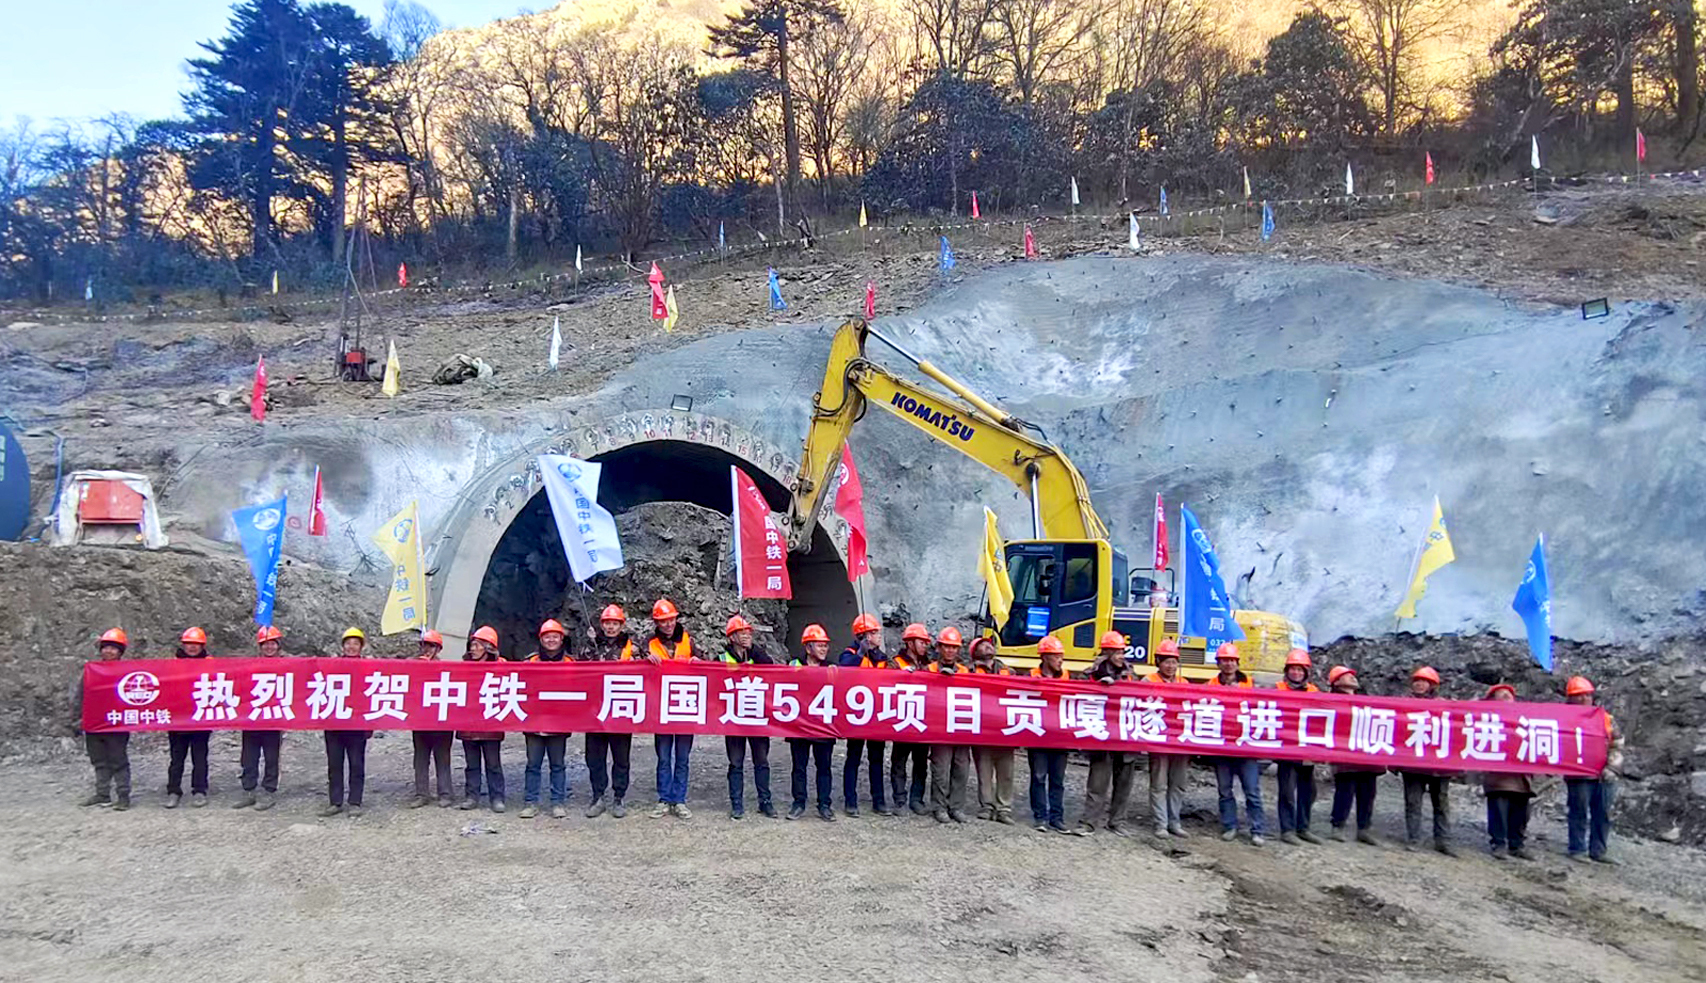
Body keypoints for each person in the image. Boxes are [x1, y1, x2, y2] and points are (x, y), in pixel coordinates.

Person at [631, 598, 705, 820]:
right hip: (660, 708)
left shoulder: (689, 641)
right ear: (656, 622)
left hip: (684, 706)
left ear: (676, 619)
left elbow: (705, 664)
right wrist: (644, 659)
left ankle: (679, 800)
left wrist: (697, 661)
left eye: (670, 619)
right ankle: (664, 799)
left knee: (682, 757)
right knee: (663, 757)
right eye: (663, 621)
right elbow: (632, 666)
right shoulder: (648, 643)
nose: (668, 624)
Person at [1203, 641, 1265, 845]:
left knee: (1252, 791)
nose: (1228, 664)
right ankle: (1230, 826)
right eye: (1224, 660)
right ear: (1218, 664)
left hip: (1246, 747)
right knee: (1225, 791)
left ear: (1237, 663)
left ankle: (1257, 830)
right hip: (1221, 747)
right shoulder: (1210, 686)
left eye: (1231, 660)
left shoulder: (1250, 684)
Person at [1080, 631, 1138, 835]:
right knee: (1097, 782)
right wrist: (1099, 686)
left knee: (1124, 784)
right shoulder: (1090, 674)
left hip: (1125, 736)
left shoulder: (1131, 674)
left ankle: (1117, 822)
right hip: (1101, 735)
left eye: (1122, 651)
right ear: (1107, 652)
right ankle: (1089, 821)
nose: (1121, 656)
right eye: (1117, 652)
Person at [721, 615, 777, 819]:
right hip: (734, 717)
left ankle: (765, 801)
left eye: (747, 632)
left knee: (761, 761)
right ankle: (737, 803)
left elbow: (770, 667)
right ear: (731, 637)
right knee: (736, 762)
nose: (745, 635)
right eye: (740, 632)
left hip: (756, 715)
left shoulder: (757, 654)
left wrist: (752, 649)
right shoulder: (721, 658)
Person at [581, 604, 633, 818]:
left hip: (621, 709)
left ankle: (619, 797)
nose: (611, 627)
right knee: (595, 757)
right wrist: (590, 643)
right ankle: (598, 796)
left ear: (621, 625)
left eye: (615, 623)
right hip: (595, 711)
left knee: (621, 758)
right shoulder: (592, 644)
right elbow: (580, 667)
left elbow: (648, 666)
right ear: (602, 625)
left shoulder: (632, 645)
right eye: (607, 623)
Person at [1564, 675, 1623, 863]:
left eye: (1587, 695)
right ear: (1570, 699)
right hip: (1578, 773)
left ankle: (1599, 851)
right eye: (1579, 695)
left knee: (1603, 813)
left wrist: (1612, 768)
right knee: (1578, 811)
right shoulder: (1563, 719)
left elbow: (1617, 744)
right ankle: (1577, 849)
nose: (1584, 699)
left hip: (1603, 774)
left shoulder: (1605, 718)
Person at [520, 619, 574, 820]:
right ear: (541, 639)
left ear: (561, 639)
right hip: (534, 722)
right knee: (533, 764)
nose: (551, 640)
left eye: (555, 636)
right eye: (547, 637)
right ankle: (530, 802)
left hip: (558, 722)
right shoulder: (530, 662)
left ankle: (557, 802)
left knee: (557, 764)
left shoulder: (571, 663)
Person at [1400, 666, 1457, 855]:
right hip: (1413, 763)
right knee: (1413, 802)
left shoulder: (1445, 706)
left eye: (1423, 681)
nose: (1419, 684)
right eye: (1416, 681)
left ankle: (1443, 841)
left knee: (1441, 803)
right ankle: (1414, 838)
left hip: (1438, 765)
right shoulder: (1403, 705)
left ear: (1432, 685)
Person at [838, 613, 890, 817]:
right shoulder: (849, 654)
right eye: (874, 633)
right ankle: (851, 801)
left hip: (877, 716)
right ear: (864, 635)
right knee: (853, 758)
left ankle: (879, 801)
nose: (878, 636)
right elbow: (844, 669)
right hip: (857, 716)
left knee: (876, 759)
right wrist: (861, 653)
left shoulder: (882, 658)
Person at [321, 628, 374, 818]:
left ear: (361, 647)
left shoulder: (368, 668)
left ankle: (355, 801)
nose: (351, 647)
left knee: (356, 764)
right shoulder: (333, 666)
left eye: (356, 643)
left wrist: (369, 724)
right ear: (342, 646)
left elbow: (372, 696)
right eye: (348, 643)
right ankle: (335, 802)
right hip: (334, 724)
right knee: (334, 764)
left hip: (357, 725)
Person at [77, 629, 132, 811]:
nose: (108, 651)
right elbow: (80, 695)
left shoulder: (129, 672)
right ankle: (102, 794)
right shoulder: (91, 671)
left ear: (120, 652)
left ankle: (123, 796)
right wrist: (78, 718)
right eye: (105, 647)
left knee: (119, 761)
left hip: (117, 724)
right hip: (94, 724)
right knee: (99, 760)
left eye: (113, 648)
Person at [1324, 665, 1380, 845]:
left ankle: (1364, 829)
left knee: (1368, 792)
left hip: (1365, 754)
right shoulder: (1332, 701)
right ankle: (1337, 826)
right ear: (1337, 682)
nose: (1352, 678)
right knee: (1345, 791)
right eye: (1347, 676)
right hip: (1345, 755)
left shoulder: (1364, 700)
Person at [234, 626, 286, 811]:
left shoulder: (287, 666)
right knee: (249, 756)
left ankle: (269, 791)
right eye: (265, 644)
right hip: (252, 718)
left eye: (272, 644)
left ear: (278, 646)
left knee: (272, 757)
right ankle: (248, 790)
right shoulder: (251, 665)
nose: (269, 647)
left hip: (274, 719)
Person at [788, 625, 836, 822]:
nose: (824, 649)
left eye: (826, 645)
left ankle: (824, 805)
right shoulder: (793, 665)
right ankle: (799, 803)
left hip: (823, 726)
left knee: (824, 767)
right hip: (799, 726)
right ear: (808, 648)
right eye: (819, 645)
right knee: (799, 767)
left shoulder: (832, 669)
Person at [1480, 683, 1534, 860]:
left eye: (1508, 694)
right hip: (1497, 775)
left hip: (1521, 774)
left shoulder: (1526, 717)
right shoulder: (1485, 718)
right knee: (1499, 810)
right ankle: (1499, 843)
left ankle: (1517, 844)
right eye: (1501, 695)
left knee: (1521, 811)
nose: (1505, 697)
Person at [1144, 639, 1192, 840]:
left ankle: (1174, 821)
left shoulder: (1184, 684)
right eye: (1166, 662)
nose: (1171, 666)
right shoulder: (1148, 681)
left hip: (1180, 741)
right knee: (1159, 783)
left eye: (1174, 662)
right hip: (1158, 740)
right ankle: (1160, 823)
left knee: (1178, 783)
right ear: (1158, 662)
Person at [1273, 649, 1322, 845]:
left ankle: (1303, 827)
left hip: (1306, 749)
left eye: (1299, 670)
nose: (1296, 673)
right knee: (1286, 791)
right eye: (1292, 669)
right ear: (1287, 671)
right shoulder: (1277, 689)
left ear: (1306, 672)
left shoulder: (1314, 692)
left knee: (1307, 791)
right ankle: (1287, 830)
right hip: (1285, 749)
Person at [967, 636, 1017, 825]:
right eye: (982, 645)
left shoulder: (1008, 671)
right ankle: (987, 806)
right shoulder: (969, 671)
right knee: (984, 771)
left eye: (989, 644)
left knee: (1006, 772)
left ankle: (1003, 808)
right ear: (975, 652)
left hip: (1004, 729)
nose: (988, 646)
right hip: (982, 729)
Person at [458, 626, 508, 812]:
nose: (473, 649)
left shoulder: (501, 666)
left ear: (488, 647)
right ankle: (472, 796)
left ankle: (497, 797)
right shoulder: (463, 667)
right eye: (472, 645)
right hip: (468, 724)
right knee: (471, 764)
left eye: (478, 645)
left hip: (490, 724)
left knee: (493, 763)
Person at [928, 626, 973, 824]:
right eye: (946, 647)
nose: (950, 651)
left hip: (961, 727)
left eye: (954, 647)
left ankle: (957, 807)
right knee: (941, 770)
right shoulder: (928, 670)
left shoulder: (966, 672)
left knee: (961, 769)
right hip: (939, 729)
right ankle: (939, 807)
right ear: (939, 648)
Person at [1027, 636, 1072, 834]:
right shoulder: (1031, 675)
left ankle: (1057, 817)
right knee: (1038, 776)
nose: (1060, 660)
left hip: (1060, 736)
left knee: (1057, 779)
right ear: (1045, 657)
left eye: (1061, 656)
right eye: (1056, 656)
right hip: (1037, 734)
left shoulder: (1067, 677)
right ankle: (1040, 817)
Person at [165, 627, 213, 809]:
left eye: (196, 644)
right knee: (176, 758)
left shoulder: (211, 663)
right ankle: (173, 791)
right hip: (177, 719)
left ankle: (199, 790)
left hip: (201, 718)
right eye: (189, 644)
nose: (192, 648)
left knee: (200, 757)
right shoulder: (172, 664)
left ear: (202, 646)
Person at [887, 623, 932, 815]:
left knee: (921, 764)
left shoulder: (929, 665)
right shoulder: (895, 662)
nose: (924, 646)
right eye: (921, 642)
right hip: (903, 719)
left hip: (921, 720)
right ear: (910, 643)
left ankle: (916, 799)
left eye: (925, 642)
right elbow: (885, 683)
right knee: (899, 761)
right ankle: (899, 800)